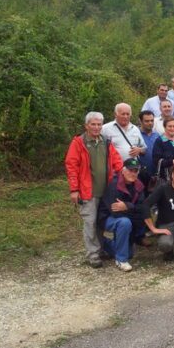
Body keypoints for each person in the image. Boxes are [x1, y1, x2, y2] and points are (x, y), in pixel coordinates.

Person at [65, 111, 123, 267]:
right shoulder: (79, 142)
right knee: (90, 222)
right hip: (87, 191)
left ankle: (100, 249)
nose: (96, 127)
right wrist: (74, 189)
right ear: (86, 125)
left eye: (99, 124)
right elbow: (71, 166)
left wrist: (123, 173)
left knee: (100, 222)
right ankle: (93, 255)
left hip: (106, 190)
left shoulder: (106, 141)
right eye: (93, 124)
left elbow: (116, 159)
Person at [97, 158, 147, 272]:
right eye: (130, 170)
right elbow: (115, 212)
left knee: (130, 253)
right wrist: (134, 210)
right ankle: (121, 260)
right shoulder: (113, 185)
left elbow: (142, 208)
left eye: (136, 171)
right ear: (123, 171)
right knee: (124, 222)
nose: (133, 173)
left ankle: (105, 243)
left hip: (127, 217)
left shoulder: (139, 186)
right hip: (107, 218)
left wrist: (128, 206)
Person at [138, 110, 159, 186]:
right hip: (140, 174)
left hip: (155, 174)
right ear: (140, 121)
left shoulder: (157, 135)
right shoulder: (135, 134)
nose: (150, 123)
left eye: (152, 120)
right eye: (147, 121)